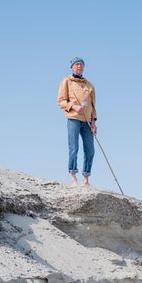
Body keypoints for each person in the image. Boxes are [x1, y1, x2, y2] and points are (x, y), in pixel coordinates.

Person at [57, 57, 98, 187]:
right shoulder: (67, 81)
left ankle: (86, 179)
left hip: (87, 121)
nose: (79, 66)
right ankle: (73, 177)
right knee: (74, 148)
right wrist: (73, 106)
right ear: (72, 67)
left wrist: (93, 122)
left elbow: (93, 105)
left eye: (81, 64)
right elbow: (60, 101)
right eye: (77, 64)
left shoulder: (89, 85)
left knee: (90, 150)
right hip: (73, 118)